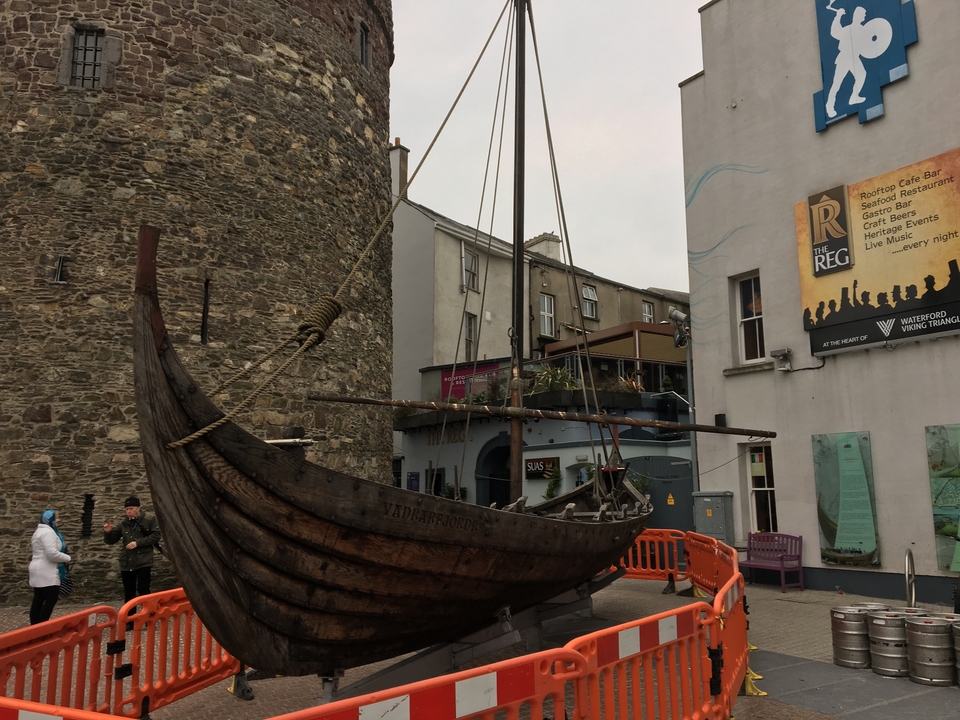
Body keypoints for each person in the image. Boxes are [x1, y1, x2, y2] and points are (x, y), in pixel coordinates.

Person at [103, 497, 161, 613]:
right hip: (127, 561)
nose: (128, 511)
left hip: (144, 560)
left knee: (143, 589)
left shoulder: (149, 519)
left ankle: (148, 615)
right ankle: (130, 619)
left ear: (138, 508)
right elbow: (111, 540)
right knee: (129, 592)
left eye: (131, 508)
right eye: (127, 509)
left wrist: (138, 543)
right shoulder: (123, 523)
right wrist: (108, 532)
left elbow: (156, 536)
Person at [29, 510, 71, 625]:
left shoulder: (39, 531)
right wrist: (67, 558)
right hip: (46, 570)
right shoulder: (48, 533)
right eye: (56, 517)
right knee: (51, 599)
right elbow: (51, 554)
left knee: (38, 599)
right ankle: (42, 626)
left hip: (38, 569)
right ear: (49, 519)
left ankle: (34, 627)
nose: (58, 520)